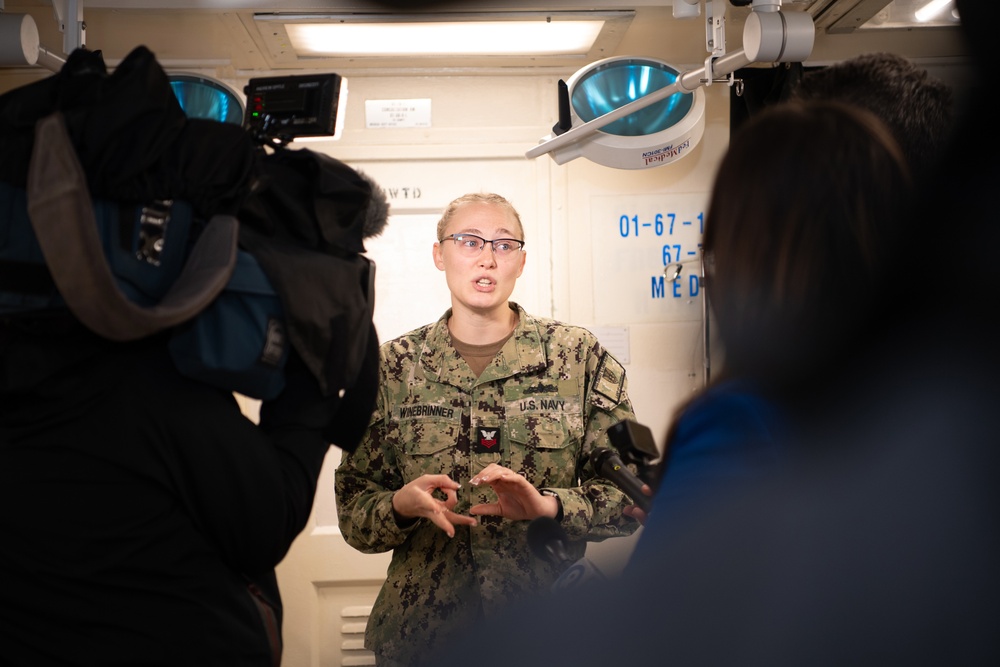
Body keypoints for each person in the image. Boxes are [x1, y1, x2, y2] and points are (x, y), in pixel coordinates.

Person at [334, 192, 640, 666]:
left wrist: (549, 506)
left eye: (503, 244)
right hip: (425, 640)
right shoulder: (391, 368)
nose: (487, 258)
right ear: (440, 254)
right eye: (469, 241)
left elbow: (631, 497)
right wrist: (399, 505)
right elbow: (354, 511)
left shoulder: (578, 358)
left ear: (521, 261)